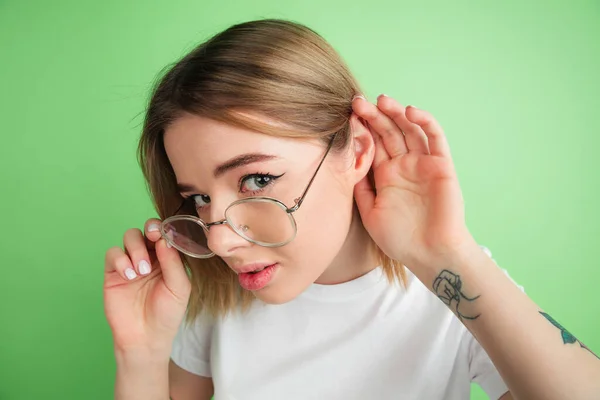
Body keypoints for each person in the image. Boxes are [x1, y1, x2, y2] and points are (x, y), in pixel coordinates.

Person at [103, 19, 600, 400]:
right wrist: (140, 353)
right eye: (199, 199)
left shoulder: (451, 291)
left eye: (256, 179)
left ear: (357, 151)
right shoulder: (218, 299)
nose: (218, 239)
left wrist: (448, 253)